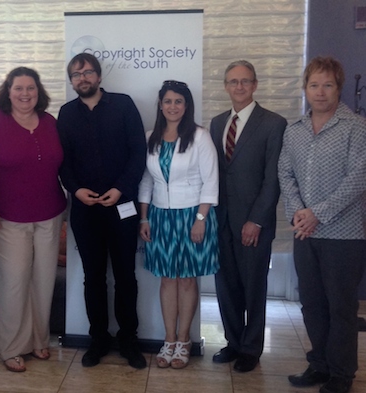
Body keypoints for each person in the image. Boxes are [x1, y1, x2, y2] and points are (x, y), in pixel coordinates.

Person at [0, 67, 66, 373]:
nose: (25, 94)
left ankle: (39, 341)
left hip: (50, 214)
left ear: (38, 92)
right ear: (7, 91)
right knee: (14, 283)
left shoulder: (50, 122)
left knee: (43, 281)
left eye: (31, 89)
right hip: (8, 218)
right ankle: (13, 347)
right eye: (18, 89)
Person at [279, 57, 366, 393]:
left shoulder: (356, 128)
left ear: (338, 88)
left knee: (341, 307)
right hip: (305, 233)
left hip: (344, 236)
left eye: (327, 84)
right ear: (305, 88)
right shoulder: (295, 130)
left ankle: (342, 375)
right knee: (312, 304)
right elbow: (285, 174)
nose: (320, 91)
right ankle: (320, 365)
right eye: (314, 84)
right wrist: (299, 212)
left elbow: (357, 180)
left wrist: (318, 213)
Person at [57, 53, 147, 369]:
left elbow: (139, 152)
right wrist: (75, 189)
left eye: (88, 72)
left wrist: (121, 188)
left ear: (99, 75)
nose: (83, 78)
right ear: (71, 81)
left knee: (125, 276)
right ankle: (98, 339)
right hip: (85, 209)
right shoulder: (66, 114)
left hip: (122, 205)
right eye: (76, 74)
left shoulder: (123, 105)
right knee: (93, 277)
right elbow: (62, 161)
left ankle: (129, 340)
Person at [209, 60, 287, 372]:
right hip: (221, 219)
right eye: (232, 82)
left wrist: (256, 220)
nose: (239, 87)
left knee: (254, 285)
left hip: (254, 221)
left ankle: (251, 349)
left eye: (245, 81)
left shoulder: (273, 123)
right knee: (225, 284)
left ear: (255, 85)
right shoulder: (216, 124)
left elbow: (273, 179)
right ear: (226, 86)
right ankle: (233, 342)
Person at [139, 80, 219, 369]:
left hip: (192, 216)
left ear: (187, 106)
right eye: (168, 101)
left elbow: (211, 182)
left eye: (179, 102)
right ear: (160, 105)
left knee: (187, 280)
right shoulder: (151, 137)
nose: (173, 107)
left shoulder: (200, 136)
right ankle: (168, 340)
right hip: (160, 217)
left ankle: (184, 341)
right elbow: (147, 179)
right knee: (167, 280)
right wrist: (144, 216)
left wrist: (200, 219)